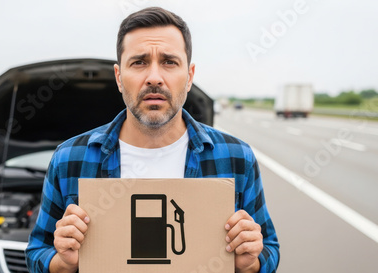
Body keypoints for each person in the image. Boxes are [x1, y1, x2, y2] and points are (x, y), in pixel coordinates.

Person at [26, 7, 279, 273]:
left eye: (169, 62)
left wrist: (251, 262)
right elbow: (36, 253)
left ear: (190, 76)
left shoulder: (237, 157)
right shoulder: (69, 159)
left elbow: (269, 249)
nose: (154, 78)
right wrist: (61, 262)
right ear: (119, 77)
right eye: (139, 62)